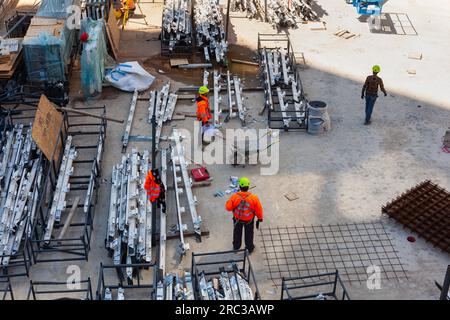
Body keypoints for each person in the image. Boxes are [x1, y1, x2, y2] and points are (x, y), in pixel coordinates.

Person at [225, 177, 263, 253]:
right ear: (248, 187)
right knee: (249, 235)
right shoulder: (254, 198)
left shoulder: (235, 197)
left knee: (237, 233)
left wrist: (229, 201)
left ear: (239, 187)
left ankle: (236, 247)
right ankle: (250, 248)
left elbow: (228, 208)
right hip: (249, 220)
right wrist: (260, 218)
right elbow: (258, 209)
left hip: (237, 219)